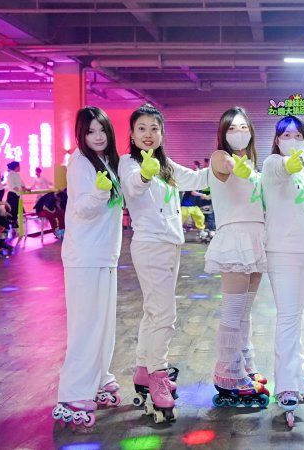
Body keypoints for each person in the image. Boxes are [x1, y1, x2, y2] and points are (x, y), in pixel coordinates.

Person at [118, 104, 210, 423]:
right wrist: (145, 174)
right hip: (150, 246)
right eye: (141, 128)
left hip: (171, 246)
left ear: (162, 133)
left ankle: (144, 370)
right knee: (165, 314)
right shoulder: (129, 163)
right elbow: (133, 185)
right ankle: (158, 374)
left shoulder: (166, 165)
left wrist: (225, 162)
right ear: (132, 134)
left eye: (154, 128)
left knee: (153, 312)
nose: (148, 134)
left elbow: (196, 177)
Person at [52, 106, 124, 428]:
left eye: (102, 129)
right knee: (85, 325)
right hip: (84, 255)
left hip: (105, 254)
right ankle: (73, 391)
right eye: (91, 131)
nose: (98, 136)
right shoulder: (80, 162)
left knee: (104, 324)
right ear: (82, 134)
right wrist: (99, 192)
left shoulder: (108, 160)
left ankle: (98, 378)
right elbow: (82, 209)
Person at [261, 115, 304, 424]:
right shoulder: (272, 164)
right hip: (282, 252)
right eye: (286, 135)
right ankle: (286, 384)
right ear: (277, 140)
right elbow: (280, 170)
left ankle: (297, 372)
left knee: (295, 315)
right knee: (287, 316)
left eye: (298, 135)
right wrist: (289, 163)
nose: (292, 139)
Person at [205, 106, 271, 407]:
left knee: (245, 312)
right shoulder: (220, 157)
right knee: (233, 312)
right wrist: (235, 165)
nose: (239, 133)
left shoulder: (253, 164)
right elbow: (224, 163)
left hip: (256, 238)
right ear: (223, 133)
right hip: (235, 240)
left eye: (243, 127)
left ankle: (244, 365)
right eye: (232, 128)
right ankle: (227, 375)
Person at [5, 161, 27, 227]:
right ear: (16, 167)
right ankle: (13, 225)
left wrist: (25, 188)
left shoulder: (17, 175)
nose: (20, 168)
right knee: (13, 211)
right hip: (12, 195)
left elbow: (21, 184)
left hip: (17, 195)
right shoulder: (10, 175)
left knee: (16, 211)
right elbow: (13, 186)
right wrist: (21, 190)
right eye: (19, 166)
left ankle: (15, 225)